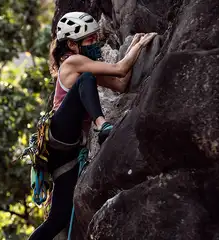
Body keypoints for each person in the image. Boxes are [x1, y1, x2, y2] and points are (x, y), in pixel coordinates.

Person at [27, 11, 157, 240]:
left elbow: (121, 83)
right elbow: (119, 68)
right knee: (87, 79)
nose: (94, 43)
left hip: (66, 151)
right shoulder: (73, 62)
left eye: (95, 37)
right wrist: (137, 47)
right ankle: (102, 125)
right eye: (89, 39)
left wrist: (133, 49)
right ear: (71, 44)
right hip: (59, 132)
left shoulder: (85, 64)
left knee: (59, 218)